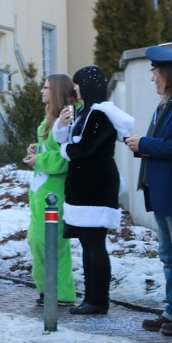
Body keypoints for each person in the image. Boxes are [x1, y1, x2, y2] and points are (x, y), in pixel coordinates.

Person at [53, 65, 134, 315]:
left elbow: (84, 149)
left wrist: (66, 150)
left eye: (77, 84)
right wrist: (63, 129)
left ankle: (98, 299)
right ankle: (91, 297)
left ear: (87, 85)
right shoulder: (86, 112)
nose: (74, 89)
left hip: (96, 186)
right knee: (88, 243)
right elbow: (73, 144)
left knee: (94, 243)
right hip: (85, 186)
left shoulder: (100, 114)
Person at [125, 48, 172, 336]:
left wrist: (145, 144)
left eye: (155, 73)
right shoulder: (167, 104)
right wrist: (142, 144)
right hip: (162, 191)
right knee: (167, 255)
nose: (152, 78)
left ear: (168, 75)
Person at [25, 73, 78, 307]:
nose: (42, 91)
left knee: (52, 243)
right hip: (40, 192)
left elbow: (65, 159)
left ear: (56, 91)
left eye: (46, 88)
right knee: (37, 241)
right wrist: (37, 150)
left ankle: (62, 292)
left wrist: (39, 159)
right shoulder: (49, 119)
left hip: (54, 193)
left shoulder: (68, 118)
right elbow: (50, 150)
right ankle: (46, 288)